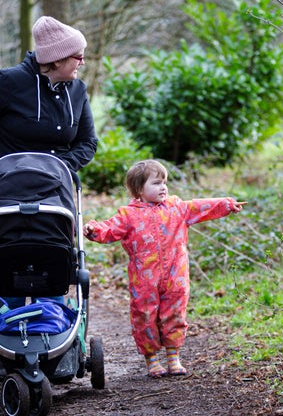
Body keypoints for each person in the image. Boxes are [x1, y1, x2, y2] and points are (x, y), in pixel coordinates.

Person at [0, 16, 97, 307]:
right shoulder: (10, 82)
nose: (82, 62)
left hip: (54, 192)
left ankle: (52, 326)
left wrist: (62, 166)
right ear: (56, 60)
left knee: (53, 256)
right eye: (77, 56)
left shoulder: (78, 91)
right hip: (5, 190)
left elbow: (87, 142)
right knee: (10, 261)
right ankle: (8, 333)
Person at [83, 160, 246, 378]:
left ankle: (173, 357)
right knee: (145, 315)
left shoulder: (176, 207)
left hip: (175, 273)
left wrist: (226, 204)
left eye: (165, 182)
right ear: (139, 189)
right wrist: (94, 229)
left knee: (175, 312)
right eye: (157, 183)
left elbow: (200, 206)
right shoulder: (128, 215)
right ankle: (151, 359)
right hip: (144, 278)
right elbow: (110, 228)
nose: (163, 187)